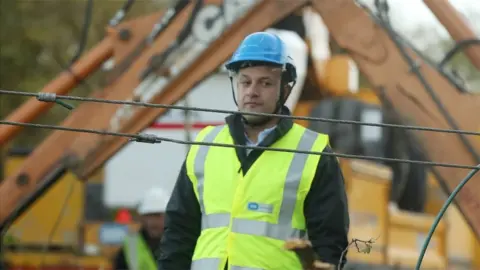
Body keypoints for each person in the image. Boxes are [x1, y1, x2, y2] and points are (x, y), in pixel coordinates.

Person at [158, 32, 350, 270]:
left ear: (285, 89)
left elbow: (331, 246)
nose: (252, 91)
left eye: (265, 83)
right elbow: (179, 232)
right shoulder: (206, 144)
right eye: (245, 81)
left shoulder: (314, 152)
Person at [112, 187, 169, 270]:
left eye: (157, 215)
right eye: (148, 216)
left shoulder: (178, 244)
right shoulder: (131, 244)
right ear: (141, 217)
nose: (152, 222)